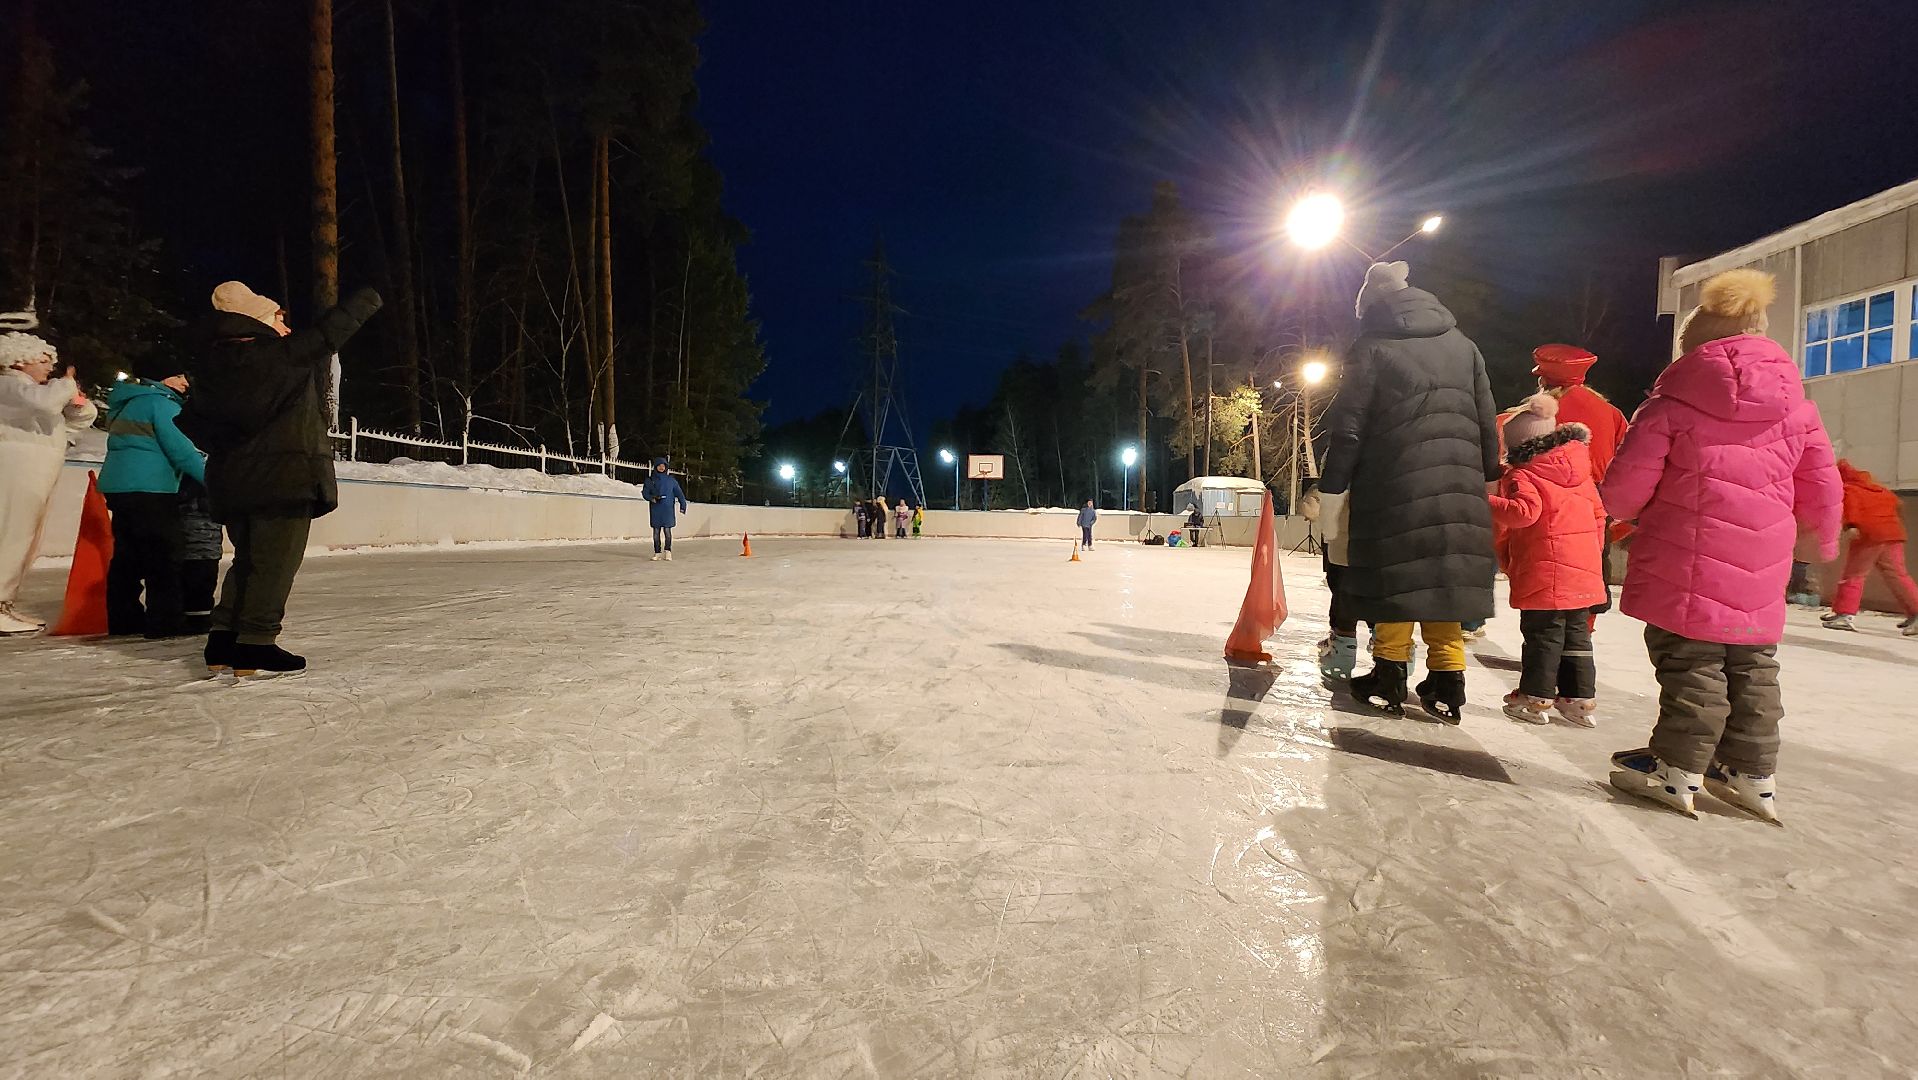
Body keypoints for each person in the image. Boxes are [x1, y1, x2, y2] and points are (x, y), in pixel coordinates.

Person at [1601, 269, 1841, 823]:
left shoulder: (1669, 406)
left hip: (1684, 556)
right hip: (1762, 563)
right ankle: (1751, 772)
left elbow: (1624, 493)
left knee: (1692, 662)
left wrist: (1619, 512)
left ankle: (1677, 768)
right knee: (1754, 664)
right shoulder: (1799, 411)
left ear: (1694, 347)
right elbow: (1823, 487)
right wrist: (1821, 543)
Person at [1318, 261, 1501, 722]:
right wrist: (1484, 478)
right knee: (1441, 583)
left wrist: (1333, 490)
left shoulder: (1373, 347)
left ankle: (1389, 674)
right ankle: (1447, 680)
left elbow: (1350, 429)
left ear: (1370, 307)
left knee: (1395, 581)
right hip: (1458, 486)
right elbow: (1485, 419)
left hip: (1393, 483)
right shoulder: (1465, 346)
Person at [181, 280, 382, 678]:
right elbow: (330, 333)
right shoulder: (279, 356)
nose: (285, 327)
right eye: (277, 317)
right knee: (274, 565)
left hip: (234, 480)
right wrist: (372, 294)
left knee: (248, 561)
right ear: (255, 320)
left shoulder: (210, 367)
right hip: (283, 477)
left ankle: (222, 642)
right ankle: (257, 645)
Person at [1485, 395, 1608, 726]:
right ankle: (1579, 698)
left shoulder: (1524, 474)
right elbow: (1599, 516)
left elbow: (1525, 514)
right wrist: (1589, 556)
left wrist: (1485, 500)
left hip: (1545, 568)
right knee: (1576, 636)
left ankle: (1536, 695)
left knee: (1544, 635)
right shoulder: (1580, 471)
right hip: (1583, 571)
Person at [98, 357, 208, 638]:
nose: (185, 383)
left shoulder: (128, 402)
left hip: (119, 487)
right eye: (180, 376)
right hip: (151, 489)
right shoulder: (161, 404)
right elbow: (182, 451)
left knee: (128, 557)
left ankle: (124, 620)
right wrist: (215, 481)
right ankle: (165, 621)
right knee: (164, 556)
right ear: (164, 379)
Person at [0, 320, 97, 635]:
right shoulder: (9, 385)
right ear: (18, 359)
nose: (49, 367)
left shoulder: (31, 392)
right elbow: (43, 403)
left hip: (35, 469)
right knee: (11, 533)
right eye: (43, 360)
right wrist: (67, 385)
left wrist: (78, 406)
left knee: (25, 537)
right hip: (17, 468)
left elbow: (68, 421)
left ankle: (5, 601)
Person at [1822, 460, 1918, 634]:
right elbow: (1899, 506)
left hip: (1869, 535)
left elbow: (1852, 509)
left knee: (1854, 575)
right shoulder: (1881, 490)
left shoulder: (1849, 489)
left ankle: (1844, 615)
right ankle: (1916, 613)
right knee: (1898, 576)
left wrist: (1851, 525)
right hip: (1893, 534)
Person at [1303, 482, 1359, 680]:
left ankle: (1343, 650)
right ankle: (1395, 657)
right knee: (1381, 598)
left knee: (1343, 593)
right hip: (1382, 537)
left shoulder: (1345, 453)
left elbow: (1313, 505)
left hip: (1342, 539)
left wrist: (1327, 525)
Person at [177, 477, 223, 634]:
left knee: (195, 575)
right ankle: (198, 617)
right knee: (200, 576)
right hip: (203, 546)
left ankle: (196, 615)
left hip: (198, 543)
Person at [642, 458, 688, 561]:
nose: (661, 467)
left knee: (667, 531)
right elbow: (645, 493)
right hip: (656, 509)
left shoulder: (671, 480)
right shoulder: (650, 480)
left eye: (663, 466)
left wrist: (683, 505)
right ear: (656, 467)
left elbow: (679, 493)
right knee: (656, 532)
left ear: (666, 467)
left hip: (667, 509)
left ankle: (668, 551)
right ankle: (657, 552)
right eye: (659, 465)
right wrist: (652, 498)